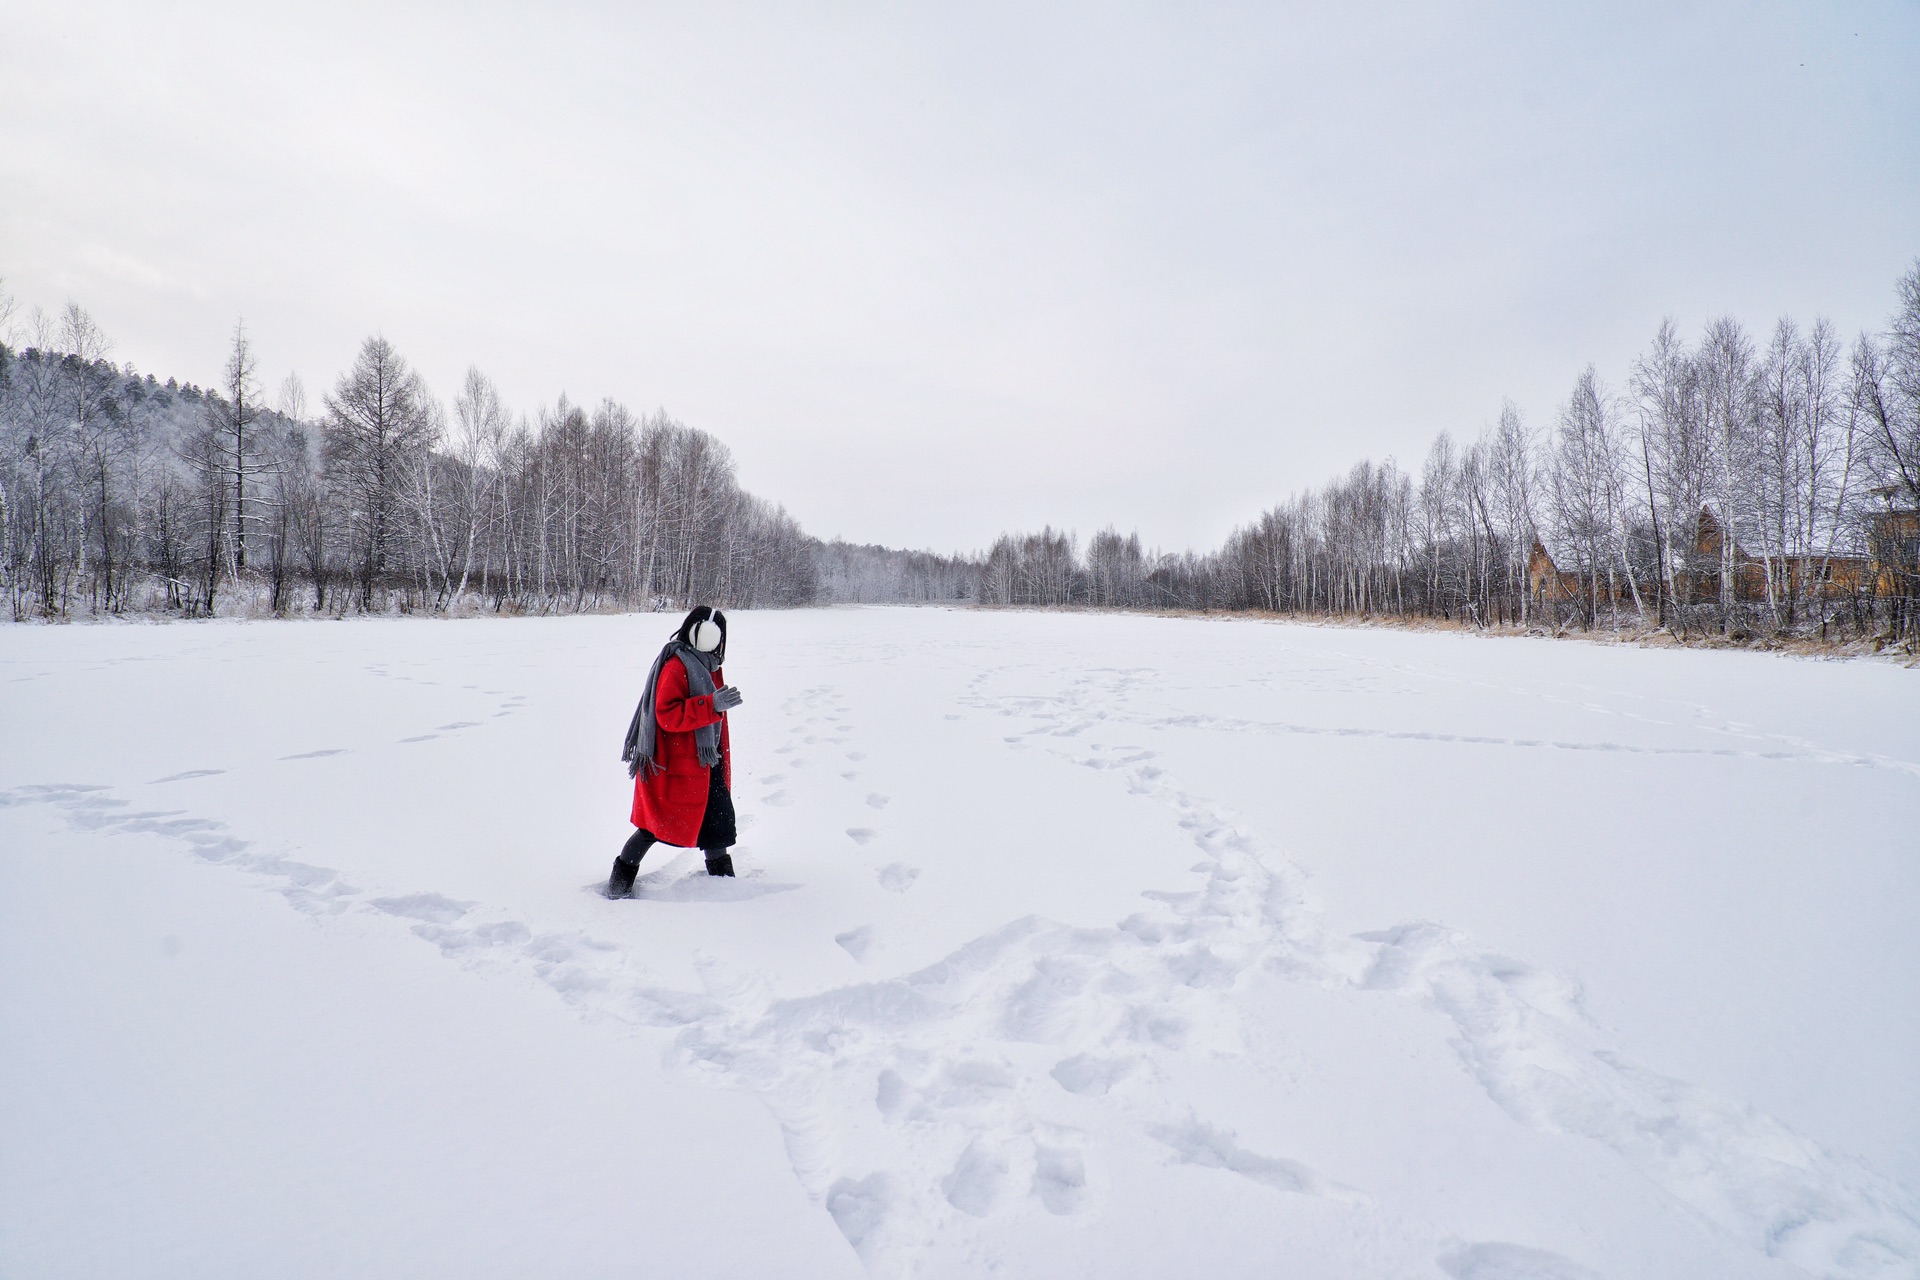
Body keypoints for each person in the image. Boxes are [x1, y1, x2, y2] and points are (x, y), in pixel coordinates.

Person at [610, 605, 744, 897]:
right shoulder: (677, 665)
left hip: (708, 764)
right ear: (691, 632)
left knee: (716, 825)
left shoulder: (708, 665)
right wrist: (712, 706)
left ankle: (728, 891)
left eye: (715, 635)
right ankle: (617, 887)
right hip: (675, 768)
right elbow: (666, 715)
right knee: (652, 828)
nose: (710, 640)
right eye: (704, 633)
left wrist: (715, 709)